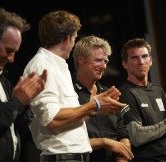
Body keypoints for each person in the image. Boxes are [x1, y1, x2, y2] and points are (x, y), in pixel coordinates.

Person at [22, 10, 126, 162]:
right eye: (75, 38)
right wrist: (94, 105)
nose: (73, 44)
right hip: (62, 158)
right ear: (66, 38)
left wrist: (93, 109)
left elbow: (69, 122)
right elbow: (52, 120)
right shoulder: (42, 66)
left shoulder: (60, 66)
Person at [0, 8, 47, 162]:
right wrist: (17, 102)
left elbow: (12, 128)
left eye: (15, 52)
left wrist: (27, 102)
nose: (12, 59)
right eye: (8, 50)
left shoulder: (3, 80)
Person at [116, 38, 166, 162]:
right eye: (135, 58)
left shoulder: (158, 90)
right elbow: (137, 137)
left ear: (151, 60)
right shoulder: (126, 93)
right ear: (125, 64)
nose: (141, 62)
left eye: (144, 56)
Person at [72, 35, 134, 162]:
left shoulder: (108, 93)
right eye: (98, 60)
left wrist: (122, 158)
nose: (103, 66)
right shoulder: (67, 93)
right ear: (81, 60)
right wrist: (105, 142)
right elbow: (69, 140)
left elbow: (123, 134)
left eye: (105, 61)